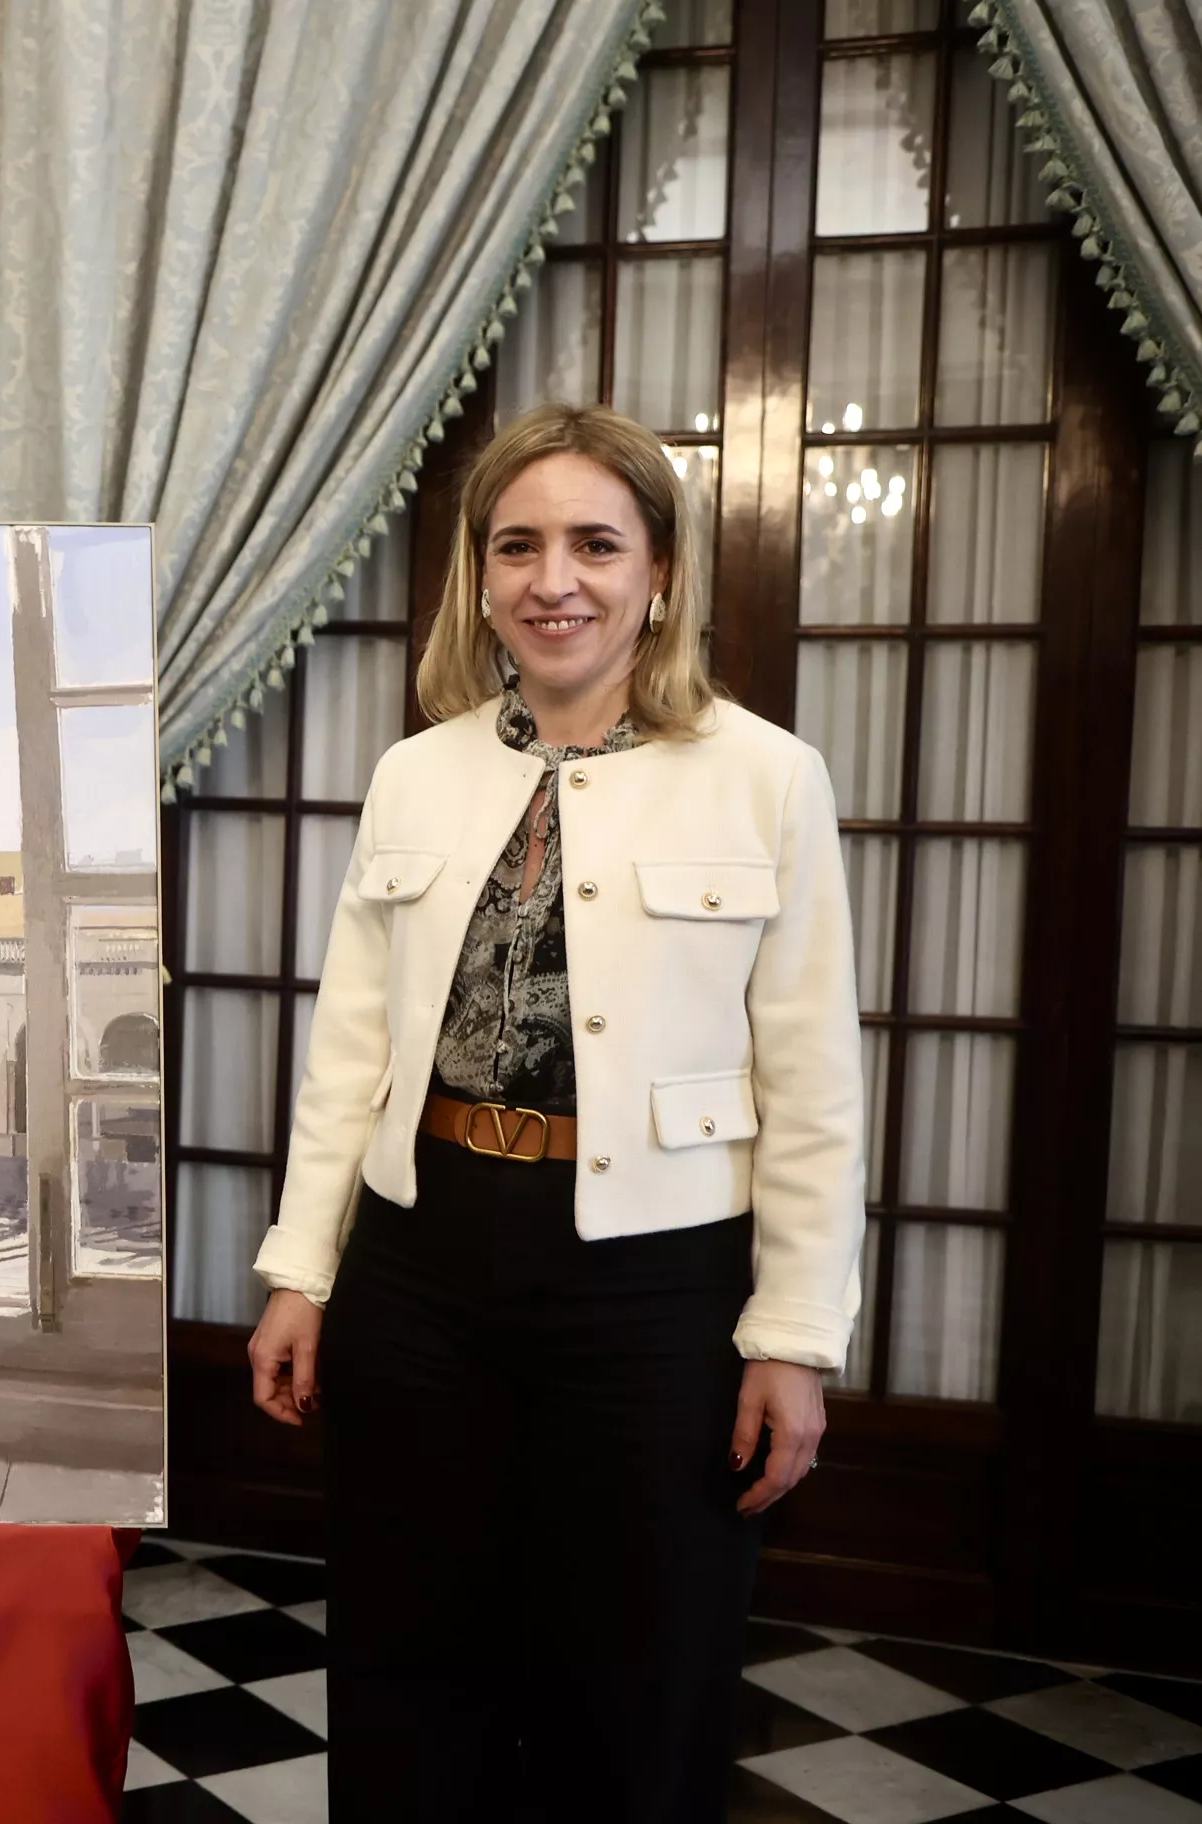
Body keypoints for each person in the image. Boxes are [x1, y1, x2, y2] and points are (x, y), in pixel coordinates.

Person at [244, 402, 865, 1822]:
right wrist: (302, 1270)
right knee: (410, 1661)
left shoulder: (767, 779)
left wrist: (793, 1338)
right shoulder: (419, 773)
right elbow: (350, 1053)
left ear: (660, 572)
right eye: (516, 546)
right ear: (479, 575)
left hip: (657, 1287)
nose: (553, 580)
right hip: (424, 1260)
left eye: (596, 542)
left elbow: (815, 1086)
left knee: (641, 1677)